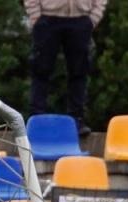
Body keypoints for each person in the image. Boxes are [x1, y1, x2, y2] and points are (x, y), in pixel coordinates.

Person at [25, 0, 108, 137]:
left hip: (81, 20)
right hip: (47, 19)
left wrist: (93, 18)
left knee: (79, 73)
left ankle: (77, 120)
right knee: (40, 71)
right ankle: (37, 119)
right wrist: (35, 16)